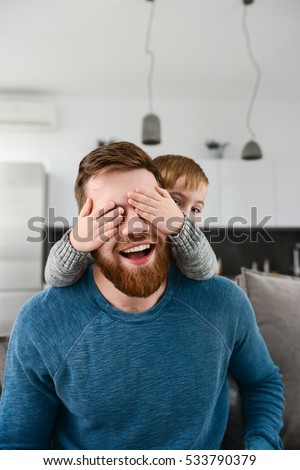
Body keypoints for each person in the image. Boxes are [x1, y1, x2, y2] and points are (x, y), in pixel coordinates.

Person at [0, 141, 284, 450]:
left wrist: (263, 451)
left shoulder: (224, 303)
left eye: (147, 207)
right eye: (112, 214)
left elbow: (262, 382)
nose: (135, 227)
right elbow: (18, 446)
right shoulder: (42, 321)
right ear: (86, 226)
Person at [44, 154, 216, 287]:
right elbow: (55, 277)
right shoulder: (102, 246)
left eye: (195, 209)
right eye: (175, 202)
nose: (183, 214)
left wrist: (180, 226)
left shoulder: (187, 244)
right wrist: (76, 242)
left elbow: (204, 270)